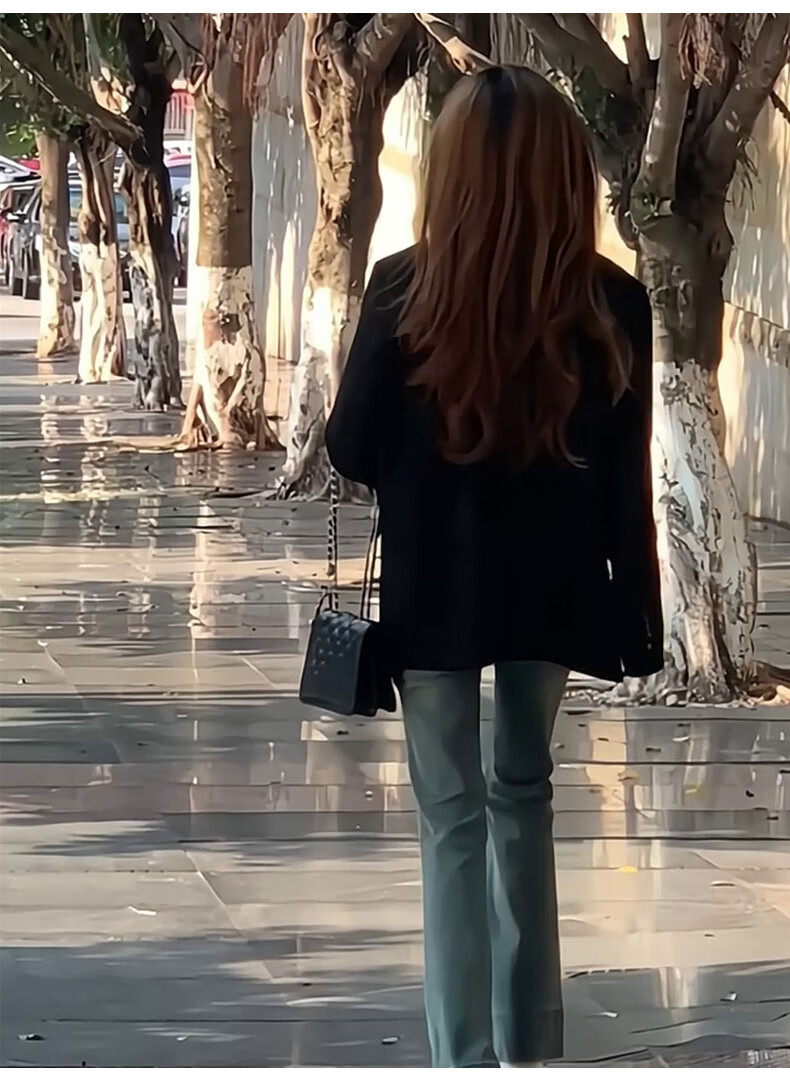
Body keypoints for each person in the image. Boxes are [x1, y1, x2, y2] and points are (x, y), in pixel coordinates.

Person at [326, 65, 663, 1069]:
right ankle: (533, 1048)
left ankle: (463, 1057)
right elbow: (629, 481)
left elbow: (347, 446)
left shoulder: (404, 287)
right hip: (556, 592)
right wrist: (641, 615)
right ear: (567, 173)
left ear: (452, 171)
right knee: (524, 793)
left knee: (450, 818)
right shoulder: (614, 301)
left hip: (434, 589)